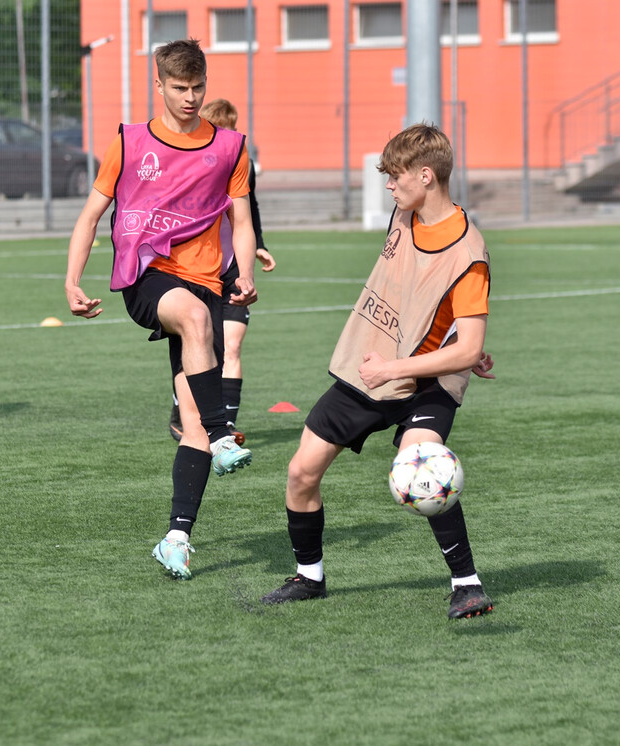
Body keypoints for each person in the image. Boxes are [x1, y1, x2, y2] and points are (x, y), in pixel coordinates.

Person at [260, 123, 497, 619]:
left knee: (425, 469)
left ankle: (467, 584)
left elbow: (469, 350)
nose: (389, 185)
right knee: (301, 471)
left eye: (396, 176)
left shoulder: (469, 255)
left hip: (423, 381)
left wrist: (404, 365)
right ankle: (309, 577)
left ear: (426, 176)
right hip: (369, 365)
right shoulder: (404, 212)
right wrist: (394, 361)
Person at [65, 39, 258, 580]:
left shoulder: (230, 147)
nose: (191, 97)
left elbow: (241, 221)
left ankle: (176, 537)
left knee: (191, 418)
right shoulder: (129, 142)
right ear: (159, 84)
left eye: (198, 87)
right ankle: (225, 434)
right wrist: (72, 280)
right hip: (148, 276)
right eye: (180, 88)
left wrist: (242, 272)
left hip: (209, 282)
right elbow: (89, 216)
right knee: (194, 322)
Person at [166, 98, 276, 446]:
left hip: (232, 268)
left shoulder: (241, 160)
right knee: (201, 345)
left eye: (232, 127)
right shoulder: (191, 160)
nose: (227, 135)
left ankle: (224, 427)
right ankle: (182, 409)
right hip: (196, 268)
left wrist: (259, 244)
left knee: (232, 345)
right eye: (220, 126)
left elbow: (248, 209)